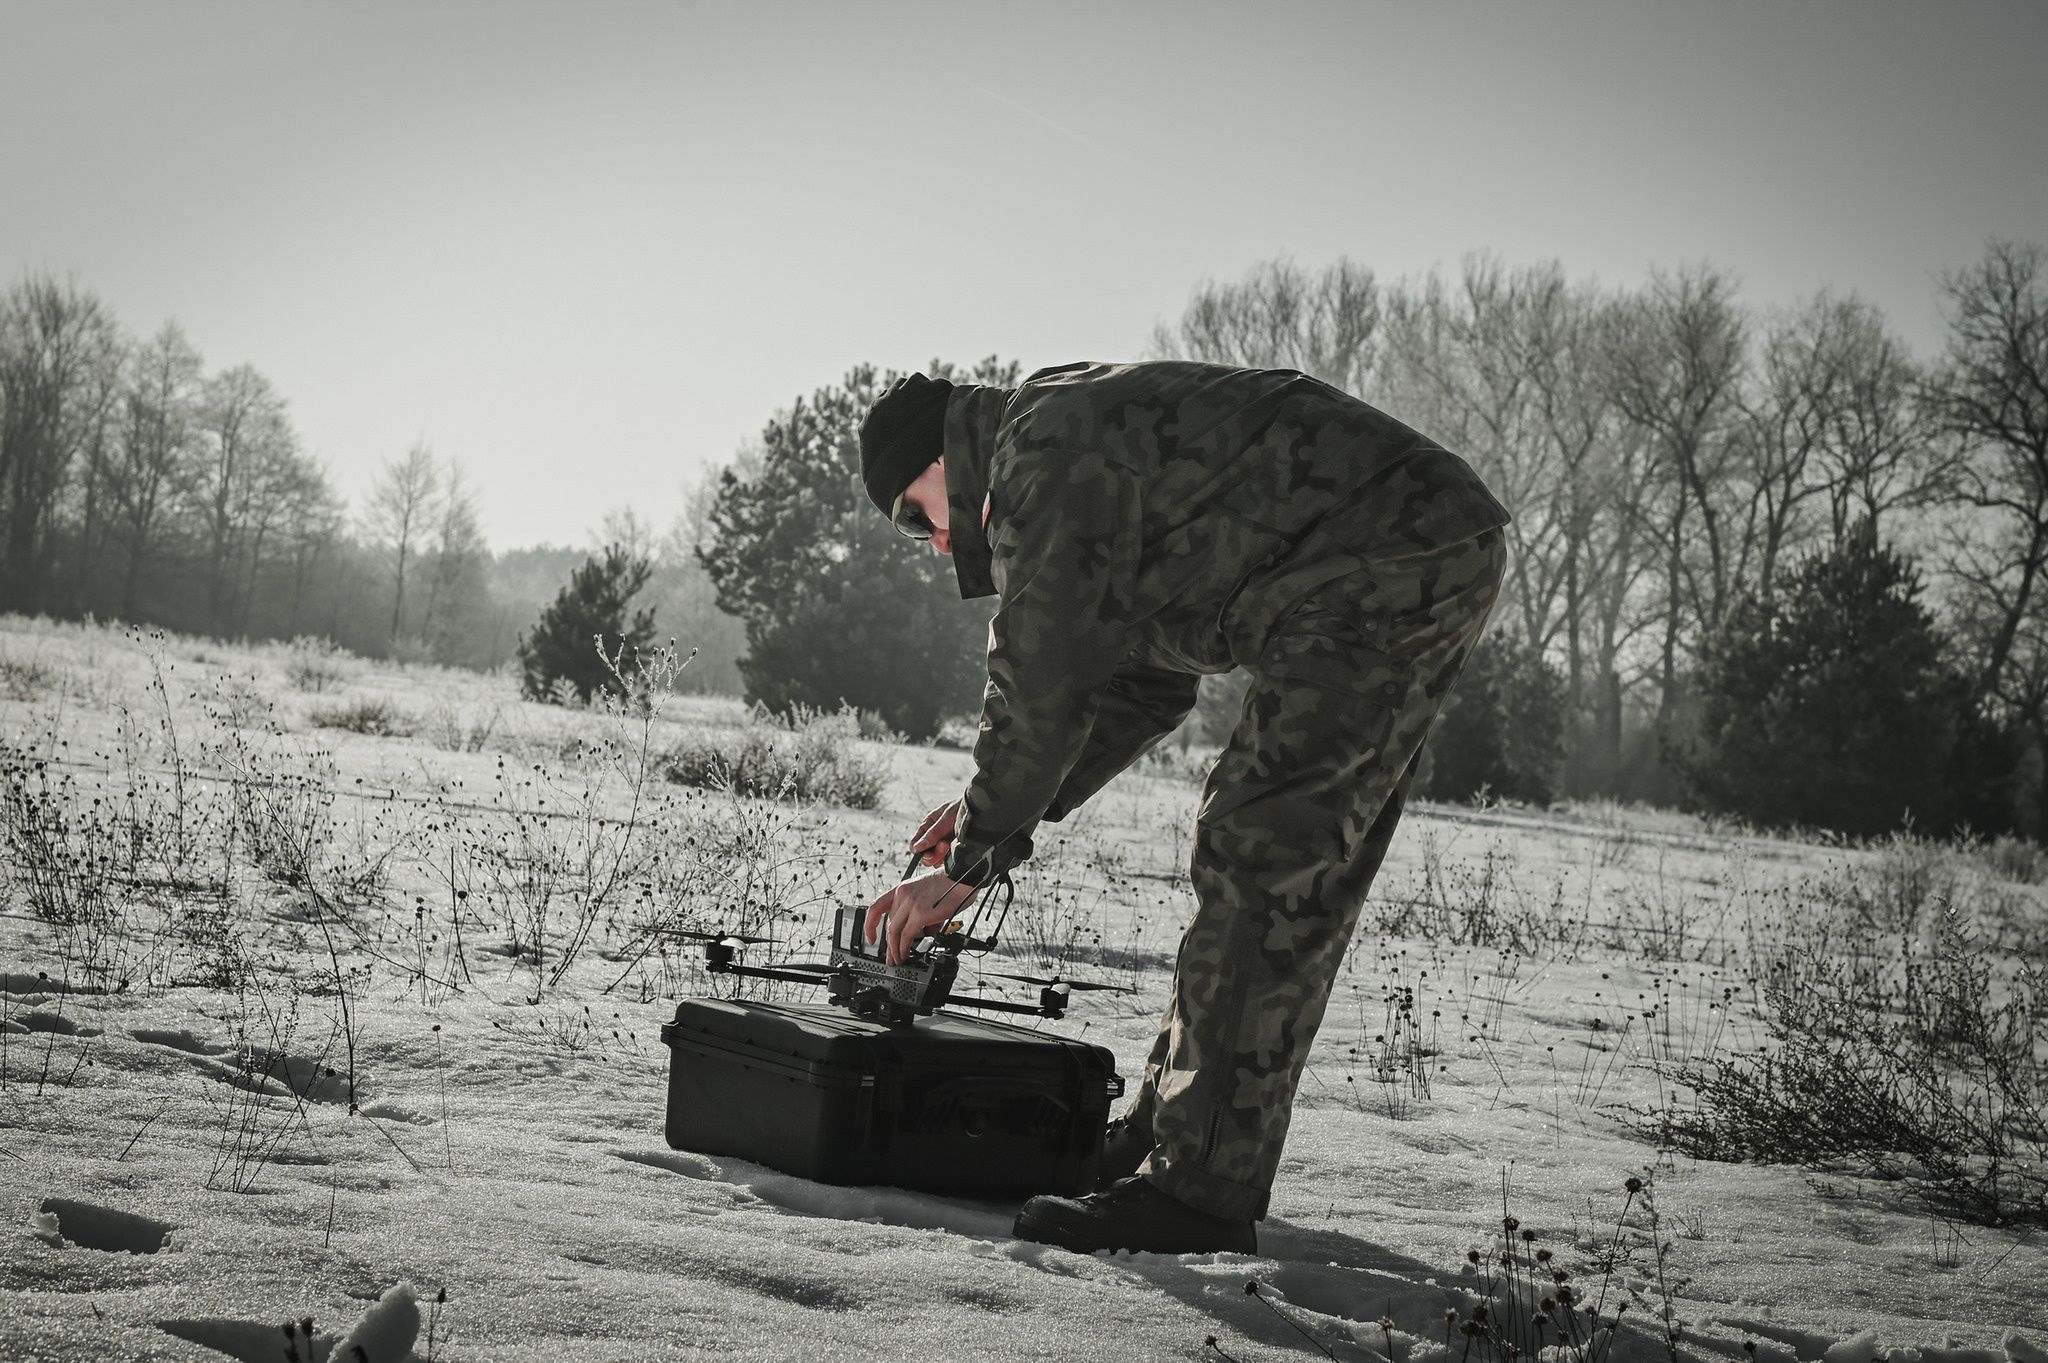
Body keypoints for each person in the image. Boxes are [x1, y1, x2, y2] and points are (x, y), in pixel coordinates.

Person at [858, 360, 1510, 1256]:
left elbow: (1038, 687)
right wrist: (991, 827)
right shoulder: (1058, 439)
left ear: (940, 457)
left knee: (1262, 855)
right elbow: (1136, 687)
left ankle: (1197, 1193)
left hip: (1384, 552)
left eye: (912, 512)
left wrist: (974, 854)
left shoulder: (1036, 461)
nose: (931, 542)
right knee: (1277, 860)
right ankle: (1165, 1144)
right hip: (1409, 542)